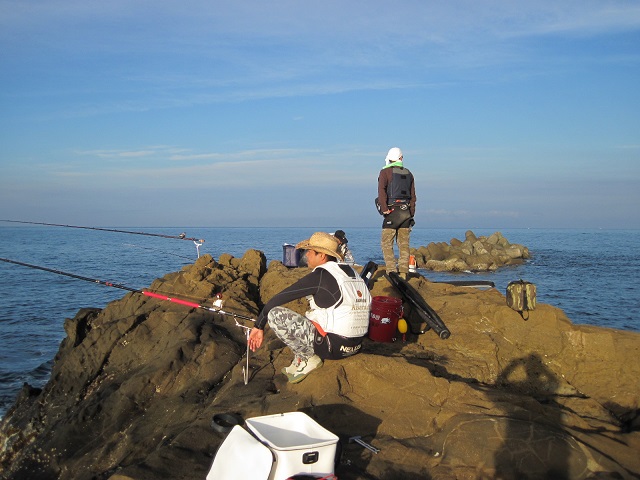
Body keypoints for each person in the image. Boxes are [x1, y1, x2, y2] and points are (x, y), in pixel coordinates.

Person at [248, 232, 372, 384]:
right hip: (356, 344)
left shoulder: (321, 275)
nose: (306, 255)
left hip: (333, 348)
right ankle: (301, 358)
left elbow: (278, 299)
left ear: (322, 256)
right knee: (312, 314)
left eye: (310, 251)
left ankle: (308, 358)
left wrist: (258, 326)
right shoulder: (351, 272)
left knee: (275, 314)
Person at [377, 147, 416, 279]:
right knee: (404, 244)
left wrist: (384, 209)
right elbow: (413, 197)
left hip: (392, 212)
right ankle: (404, 273)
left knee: (386, 243)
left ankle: (391, 272)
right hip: (406, 212)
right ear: (401, 158)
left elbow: (381, 192)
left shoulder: (385, 172)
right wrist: (411, 213)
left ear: (389, 158)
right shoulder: (409, 173)